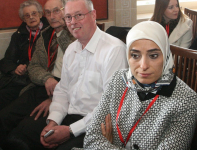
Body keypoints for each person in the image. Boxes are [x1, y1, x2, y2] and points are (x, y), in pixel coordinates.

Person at [84, 21, 197, 150]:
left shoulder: (186, 100)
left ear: (166, 55)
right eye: (135, 55)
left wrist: (109, 146)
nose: (143, 66)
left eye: (153, 56)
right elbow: (91, 138)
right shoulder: (118, 80)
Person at [38, 0, 128, 150]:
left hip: (98, 125)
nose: (73, 22)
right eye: (68, 17)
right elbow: (62, 90)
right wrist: (53, 121)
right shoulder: (71, 49)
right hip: (68, 116)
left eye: (79, 15)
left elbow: (111, 106)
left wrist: (70, 130)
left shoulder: (114, 50)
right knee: (24, 136)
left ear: (93, 15)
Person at [0, 0, 74, 146]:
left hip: (64, 91)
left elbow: (80, 76)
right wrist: (46, 79)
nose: (52, 16)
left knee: (21, 134)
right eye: (48, 12)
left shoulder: (76, 34)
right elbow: (33, 66)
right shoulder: (45, 35)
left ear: (66, 11)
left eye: (57, 11)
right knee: (3, 119)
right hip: (41, 86)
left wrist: (55, 98)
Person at [0, 0, 49, 111]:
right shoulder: (18, 36)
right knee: (1, 98)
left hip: (40, 81)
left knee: (11, 109)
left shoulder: (50, 32)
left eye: (34, 13)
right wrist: (15, 68)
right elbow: (6, 61)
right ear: (23, 19)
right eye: (27, 15)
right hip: (22, 79)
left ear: (40, 14)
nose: (31, 17)